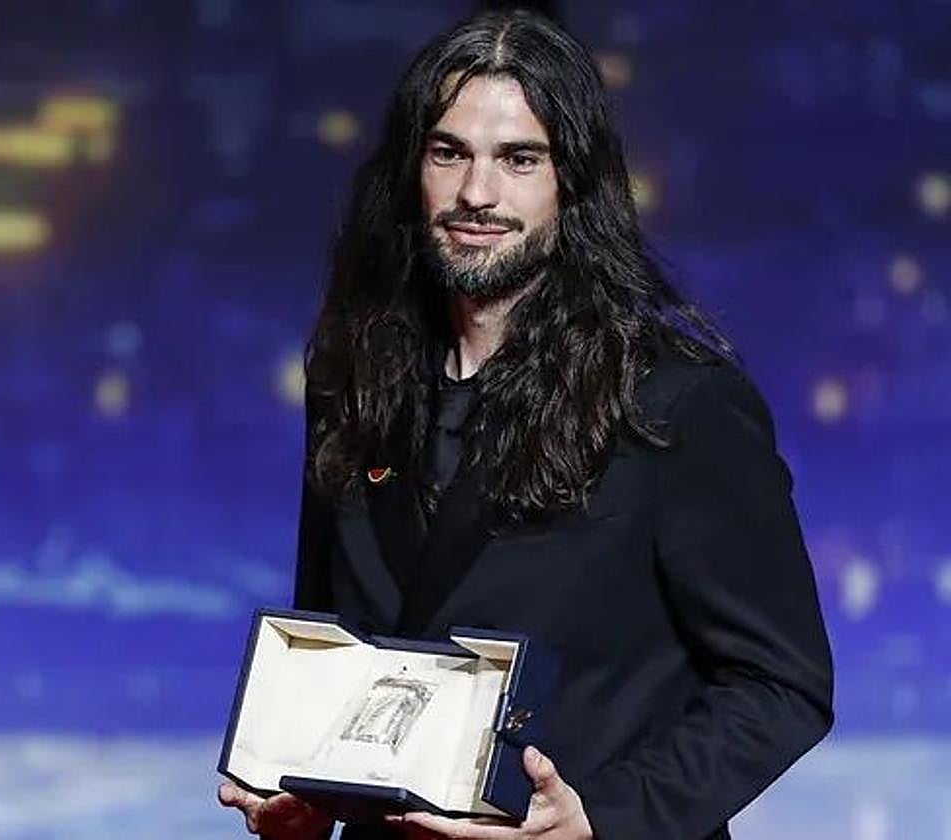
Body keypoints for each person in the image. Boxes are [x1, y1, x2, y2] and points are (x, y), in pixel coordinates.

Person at [219, 8, 834, 840]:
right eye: (449, 153)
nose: (478, 192)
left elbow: (780, 685)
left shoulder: (675, 403)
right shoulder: (351, 375)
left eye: (519, 159)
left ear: (571, 181)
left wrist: (602, 819)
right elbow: (341, 644)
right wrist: (306, 791)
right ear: (411, 170)